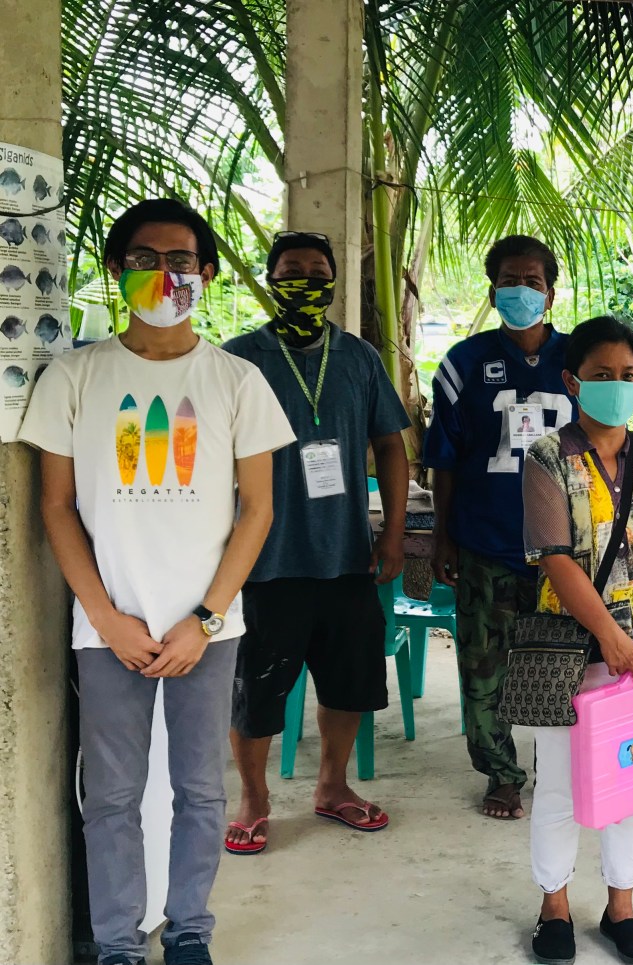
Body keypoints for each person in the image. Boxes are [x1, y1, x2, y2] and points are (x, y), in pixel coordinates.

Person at [19, 198, 294, 965]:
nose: (163, 274)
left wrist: (204, 618)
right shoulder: (76, 377)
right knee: (110, 798)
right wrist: (105, 617)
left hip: (207, 629)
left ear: (206, 273)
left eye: (180, 261)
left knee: (201, 793)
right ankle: (115, 945)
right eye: (144, 258)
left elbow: (258, 511)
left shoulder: (238, 382)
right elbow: (56, 506)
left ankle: (189, 934)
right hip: (109, 632)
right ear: (115, 269)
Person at [220, 231, 412, 854]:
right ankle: (254, 798)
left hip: (346, 558)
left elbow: (391, 445)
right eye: (292, 269)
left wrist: (393, 532)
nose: (305, 279)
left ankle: (333, 786)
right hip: (263, 562)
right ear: (271, 278)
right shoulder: (237, 359)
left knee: (349, 682)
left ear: (333, 281)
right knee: (257, 690)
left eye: (317, 270)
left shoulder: (358, 358)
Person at [523, 315, 633, 965]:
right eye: (602, 376)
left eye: (629, 376)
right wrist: (607, 635)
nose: (619, 387)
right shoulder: (548, 456)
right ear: (572, 381)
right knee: (562, 786)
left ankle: (621, 904)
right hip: (571, 647)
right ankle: (555, 905)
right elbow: (556, 558)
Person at [425, 235, 576, 820]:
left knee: (563, 663)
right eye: (509, 281)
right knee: (482, 667)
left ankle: (560, 768)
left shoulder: (579, 359)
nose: (521, 290)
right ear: (493, 291)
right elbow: (444, 458)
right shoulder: (464, 362)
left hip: (561, 550)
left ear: (550, 291)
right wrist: (443, 536)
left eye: (532, 281)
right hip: (486, 540)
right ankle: (501, 774)